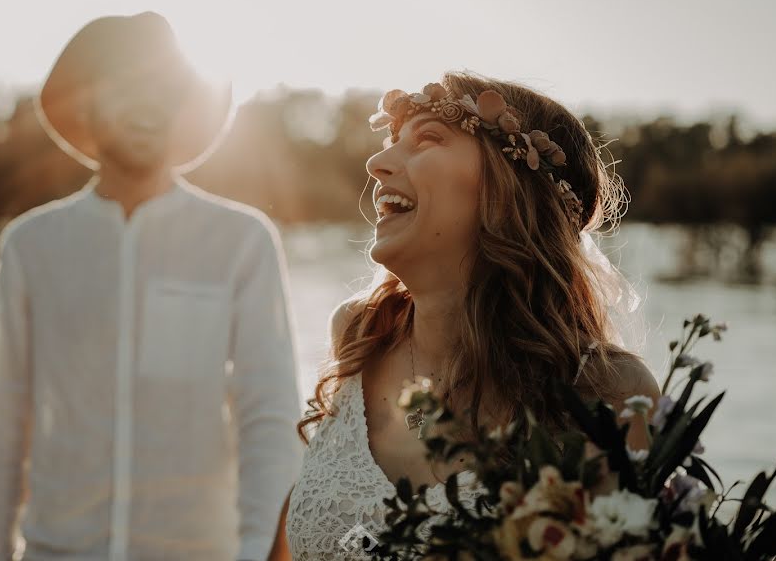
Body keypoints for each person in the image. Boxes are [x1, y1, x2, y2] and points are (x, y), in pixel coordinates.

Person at [0, 11, 304, 561]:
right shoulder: (32, 245)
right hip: (55, 551)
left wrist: (257, 552)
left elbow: (269, 415)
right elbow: (0, 422)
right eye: (128, 85)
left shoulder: (241, 241)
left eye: (167, 90)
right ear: (87, 103)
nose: (150, 104)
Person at [275, 71, 660, 560]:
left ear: (509, 189)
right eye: (392, 141)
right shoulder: (358, 334)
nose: (376, 163)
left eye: (428, 139)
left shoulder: (610, 392)